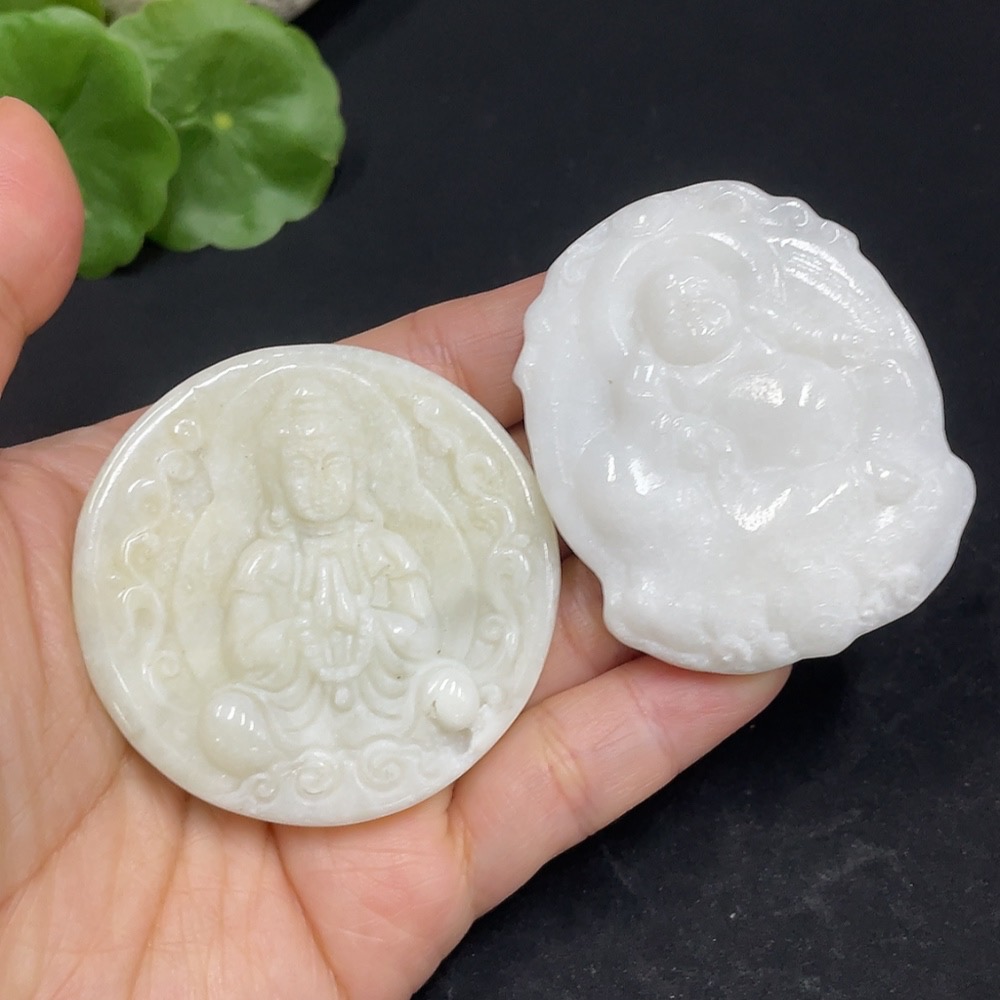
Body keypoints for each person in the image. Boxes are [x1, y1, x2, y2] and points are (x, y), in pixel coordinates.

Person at [0, 97, 788, 999]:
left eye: (331, 460)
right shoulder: (263, 561)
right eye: (298, 465)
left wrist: (392, 643)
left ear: (360, 467)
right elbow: (249, 649)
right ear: (272, 478)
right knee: (228, 718)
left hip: (383, 693)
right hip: (286, 706)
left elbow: (416, 632)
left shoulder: (385, 551)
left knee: (444, 686)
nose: (317, 477)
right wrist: (289, 651)